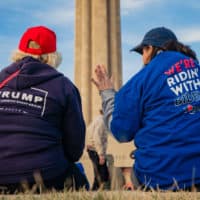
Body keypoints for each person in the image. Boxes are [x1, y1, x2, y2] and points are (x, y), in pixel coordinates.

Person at [91, 27, 200, 191]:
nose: (143, 59)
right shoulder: (197, 68)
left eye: (142, 52)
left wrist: (107, 94)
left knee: (124, 178)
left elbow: (121, 131)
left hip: (158, 177)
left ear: (150, 49)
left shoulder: (142, 79)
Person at [0, 25, 88, 193]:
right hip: (46, 176)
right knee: (79, 179)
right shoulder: (64, 86)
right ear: (52, 57)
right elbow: (75, 148)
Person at [86, 109, 110, 190]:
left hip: (92, 149)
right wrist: (101, 154)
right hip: (95, 150)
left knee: (98, 173)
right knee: (102, 174)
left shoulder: (98, 119)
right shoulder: (101, 122)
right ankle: (97, 190)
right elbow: (97, 138)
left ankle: (95, 190)